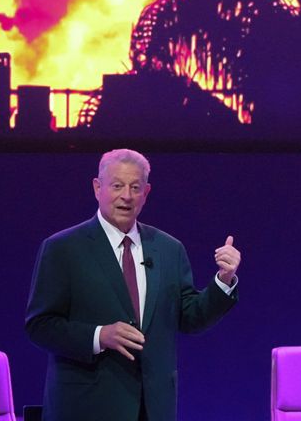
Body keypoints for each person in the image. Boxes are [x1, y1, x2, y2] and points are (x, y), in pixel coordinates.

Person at [25, 149, 240, 421]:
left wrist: (223, 280)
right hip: (86, 407)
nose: (126, 195)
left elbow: (190, 317)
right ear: (97, 188)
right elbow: (40, 326)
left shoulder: (168, 249)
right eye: (117, 186)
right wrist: (99, 336)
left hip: (152, 408)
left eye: (135, 187)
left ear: (146, 193)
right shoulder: (63, 248)